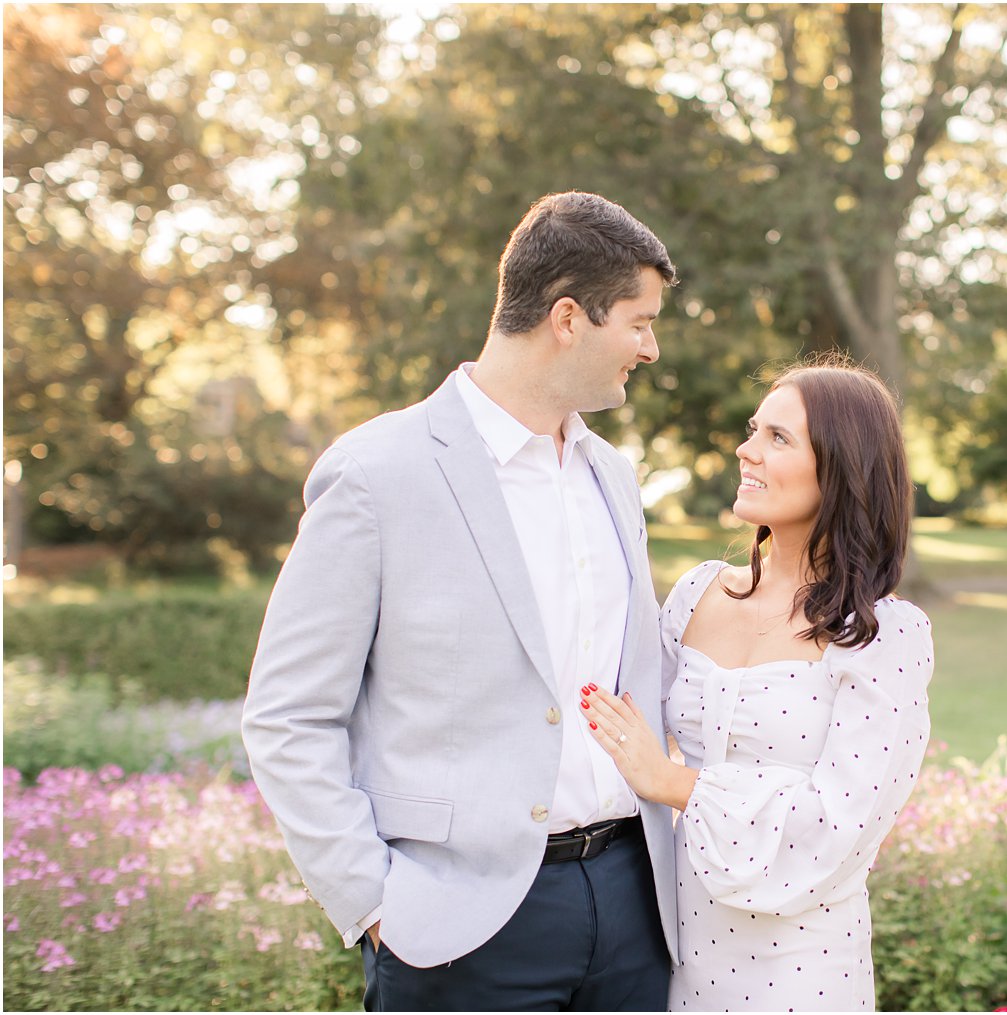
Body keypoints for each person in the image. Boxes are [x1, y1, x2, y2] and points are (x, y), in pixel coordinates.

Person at [242, 191, 680, 1011]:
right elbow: (287, 714)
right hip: (457, 929)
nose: (650, 348)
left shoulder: (612, 476)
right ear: (567, 318)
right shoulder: (378, 472)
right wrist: (375, 902)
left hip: (631, 902)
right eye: (639, 320)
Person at [580, 358, 934, 1011]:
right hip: (675, 956)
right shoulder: (696, 593)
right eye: (753, 430)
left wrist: (677, 783)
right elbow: (615, 727)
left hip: (802, 968)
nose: (747, 449)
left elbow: (835, 822)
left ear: (842, 467)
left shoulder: (884, 637)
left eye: (779, 437)